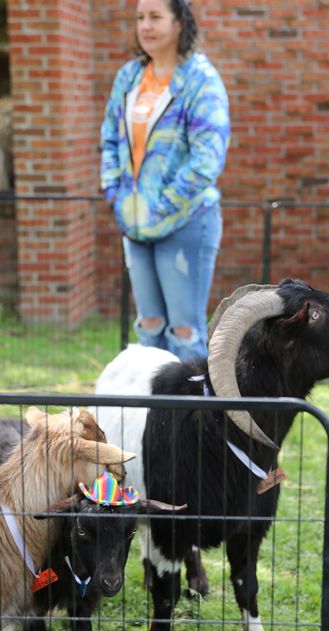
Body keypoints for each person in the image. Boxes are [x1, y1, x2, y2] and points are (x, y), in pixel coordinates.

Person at [100, 0, 230, 363]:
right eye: (141, 18)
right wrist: (116, 194)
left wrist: (161, 205)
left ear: (179, 24)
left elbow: (207, 158)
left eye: (156, 17)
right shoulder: (128, 77)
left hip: (185, 223)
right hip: (135, 224)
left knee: (185, 333)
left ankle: (189, 420)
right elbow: (109, 137)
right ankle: (154, 419)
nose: (146, 25)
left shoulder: (200, 80)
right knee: (150, 327)